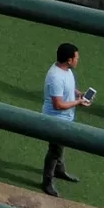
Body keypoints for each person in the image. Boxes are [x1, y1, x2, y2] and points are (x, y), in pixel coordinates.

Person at [41, 41, 92, 196]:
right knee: (54, 151)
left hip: (65, 119)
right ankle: (47, 181)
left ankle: (59, 170)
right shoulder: (55, 77)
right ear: (69, 60)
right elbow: (58, 105)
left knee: (60, 146)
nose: (77, 60)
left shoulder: (65, 70)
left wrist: (79, 94)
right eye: (76, 58)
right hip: (55, 120)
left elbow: (68, 86)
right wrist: (78, 102)